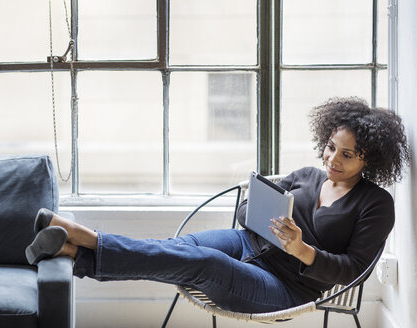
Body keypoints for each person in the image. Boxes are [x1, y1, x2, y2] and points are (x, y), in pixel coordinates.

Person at [25, 97, 410, 314]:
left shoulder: (376, 204)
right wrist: (262, 213)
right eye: (330, 148)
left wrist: (302, 250)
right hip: (249, 246)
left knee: (201, 264)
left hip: (286, 288)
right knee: (180, 248)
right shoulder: (307, 176)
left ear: (369, 160)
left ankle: (87, 240)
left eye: (347, 155)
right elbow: (245, 216)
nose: (333, 160)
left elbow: (353, 269)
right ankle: (76, 252)